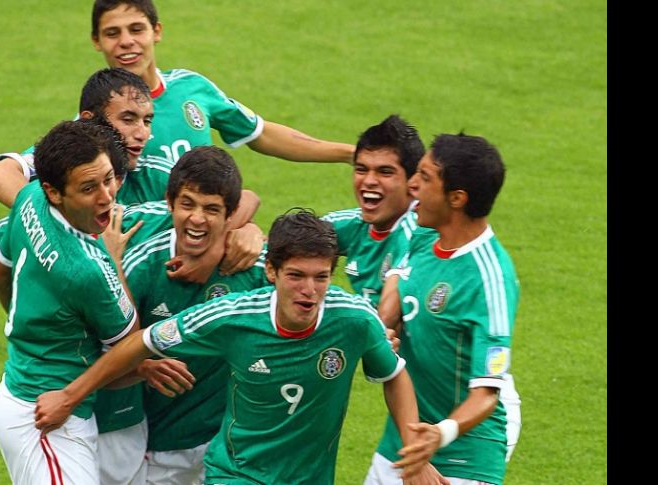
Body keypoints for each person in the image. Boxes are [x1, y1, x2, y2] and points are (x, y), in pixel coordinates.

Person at [33, 209, 441, 485]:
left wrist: (413, 448)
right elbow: (144, 342)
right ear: (271, 271)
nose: (309, 290)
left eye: (321, 277)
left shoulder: (353, 319)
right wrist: (70, 396)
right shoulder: (231, 317)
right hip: (237, 473)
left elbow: (394, 373)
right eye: (296, 275)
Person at [0, 0, 354, 210]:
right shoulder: (89, 129)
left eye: (136, 29)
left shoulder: (194, 88)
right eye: (113, 33)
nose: (127, 42)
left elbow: (262, 133)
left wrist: (350, 154)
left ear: (156, 31)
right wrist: (51, 222)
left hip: (209, 241)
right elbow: (4, 174)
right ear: (97, 41)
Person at [0, 67, 263, 284]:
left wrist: (223, 241)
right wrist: (60, 222)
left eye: (147, 121)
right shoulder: (63, 169)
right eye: (128, 119)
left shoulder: (153, 174)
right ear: (88, 122)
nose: (142, 133)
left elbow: (242, 198)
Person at [0, 120, 139, 484]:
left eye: (108, 178)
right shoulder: (87, 270)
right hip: (47, 420)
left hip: (20, 386)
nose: (106, 196)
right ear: (55, 192)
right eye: (89, 188)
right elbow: (132, 349)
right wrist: (115, 261)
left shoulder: (29, 200)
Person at [365, 133, 520, 485]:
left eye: (425, 177)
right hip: (404, 438)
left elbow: (487, 393)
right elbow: (394, 298)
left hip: (462, 456)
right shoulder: (422, 235)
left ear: (457, 198)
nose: (413, 185)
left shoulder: (489, 278)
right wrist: (382, 333)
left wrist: (438, 436)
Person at [112, 146, 270, 484]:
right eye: (188, 205)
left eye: (212, 209)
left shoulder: (252, 265)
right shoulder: (142, 261)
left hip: (230, 447)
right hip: (160, 446)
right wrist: (140, 366)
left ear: (231, 215)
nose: (197, 218)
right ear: (170, 203)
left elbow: (304, 285)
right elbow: (107, 348)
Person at [323, 114, 436, 307]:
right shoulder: (354, 224)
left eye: (385, 172)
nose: (369, 181)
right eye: (361, 169)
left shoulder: (418, 236)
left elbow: (390, 313)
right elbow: (287, 245)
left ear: (413, 182)